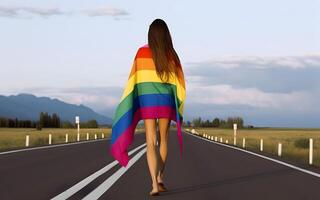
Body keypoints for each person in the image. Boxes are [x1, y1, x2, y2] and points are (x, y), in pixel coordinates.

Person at [110, 18, 186, 196]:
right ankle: (160, 177)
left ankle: (153, 184)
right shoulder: (172, 55)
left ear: (150, 34)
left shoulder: (141, 53)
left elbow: (133, 81)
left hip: (148, 101)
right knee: (164, 140)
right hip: (166, 101)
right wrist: (179, 105)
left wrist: (131, 101)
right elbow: (180, 84)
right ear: (167, 34)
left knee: (150, 141)